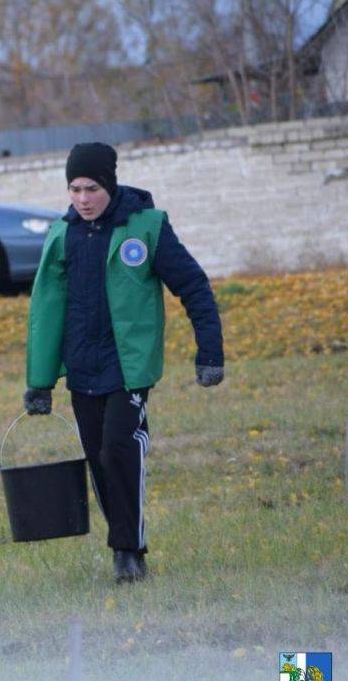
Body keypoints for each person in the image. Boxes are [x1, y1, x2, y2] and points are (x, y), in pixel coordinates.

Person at [24, 143, 223, 584]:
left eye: (91, 188)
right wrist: (39, 382)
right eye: (74, 189)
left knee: (120, 447)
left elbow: (193, 286)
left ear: (109, 185)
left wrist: (209, 351)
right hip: (82, 367)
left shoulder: (147, 228)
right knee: (98, 458)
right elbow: (45, 310)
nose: (82, 198)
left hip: (127, 368)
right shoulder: (62, 235)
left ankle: (127, 553)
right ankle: (126, 543)